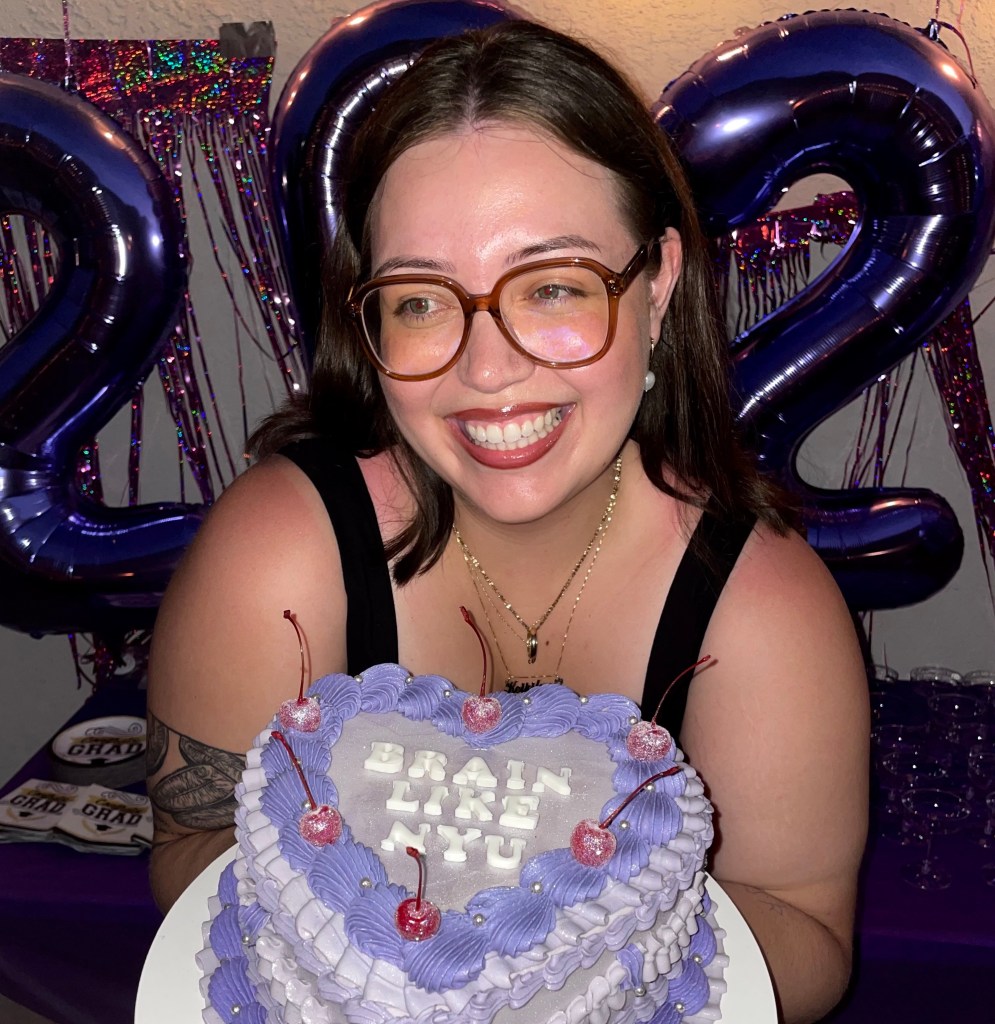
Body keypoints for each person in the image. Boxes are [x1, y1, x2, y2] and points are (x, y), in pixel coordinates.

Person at [147, 19, 868, 1024]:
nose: (486, 370)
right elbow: (188, 838)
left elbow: (806, 930)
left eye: (554, 286)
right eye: (419, 301)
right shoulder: (276, 556)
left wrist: (563, 961)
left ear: (657, 284)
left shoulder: (761, 609)